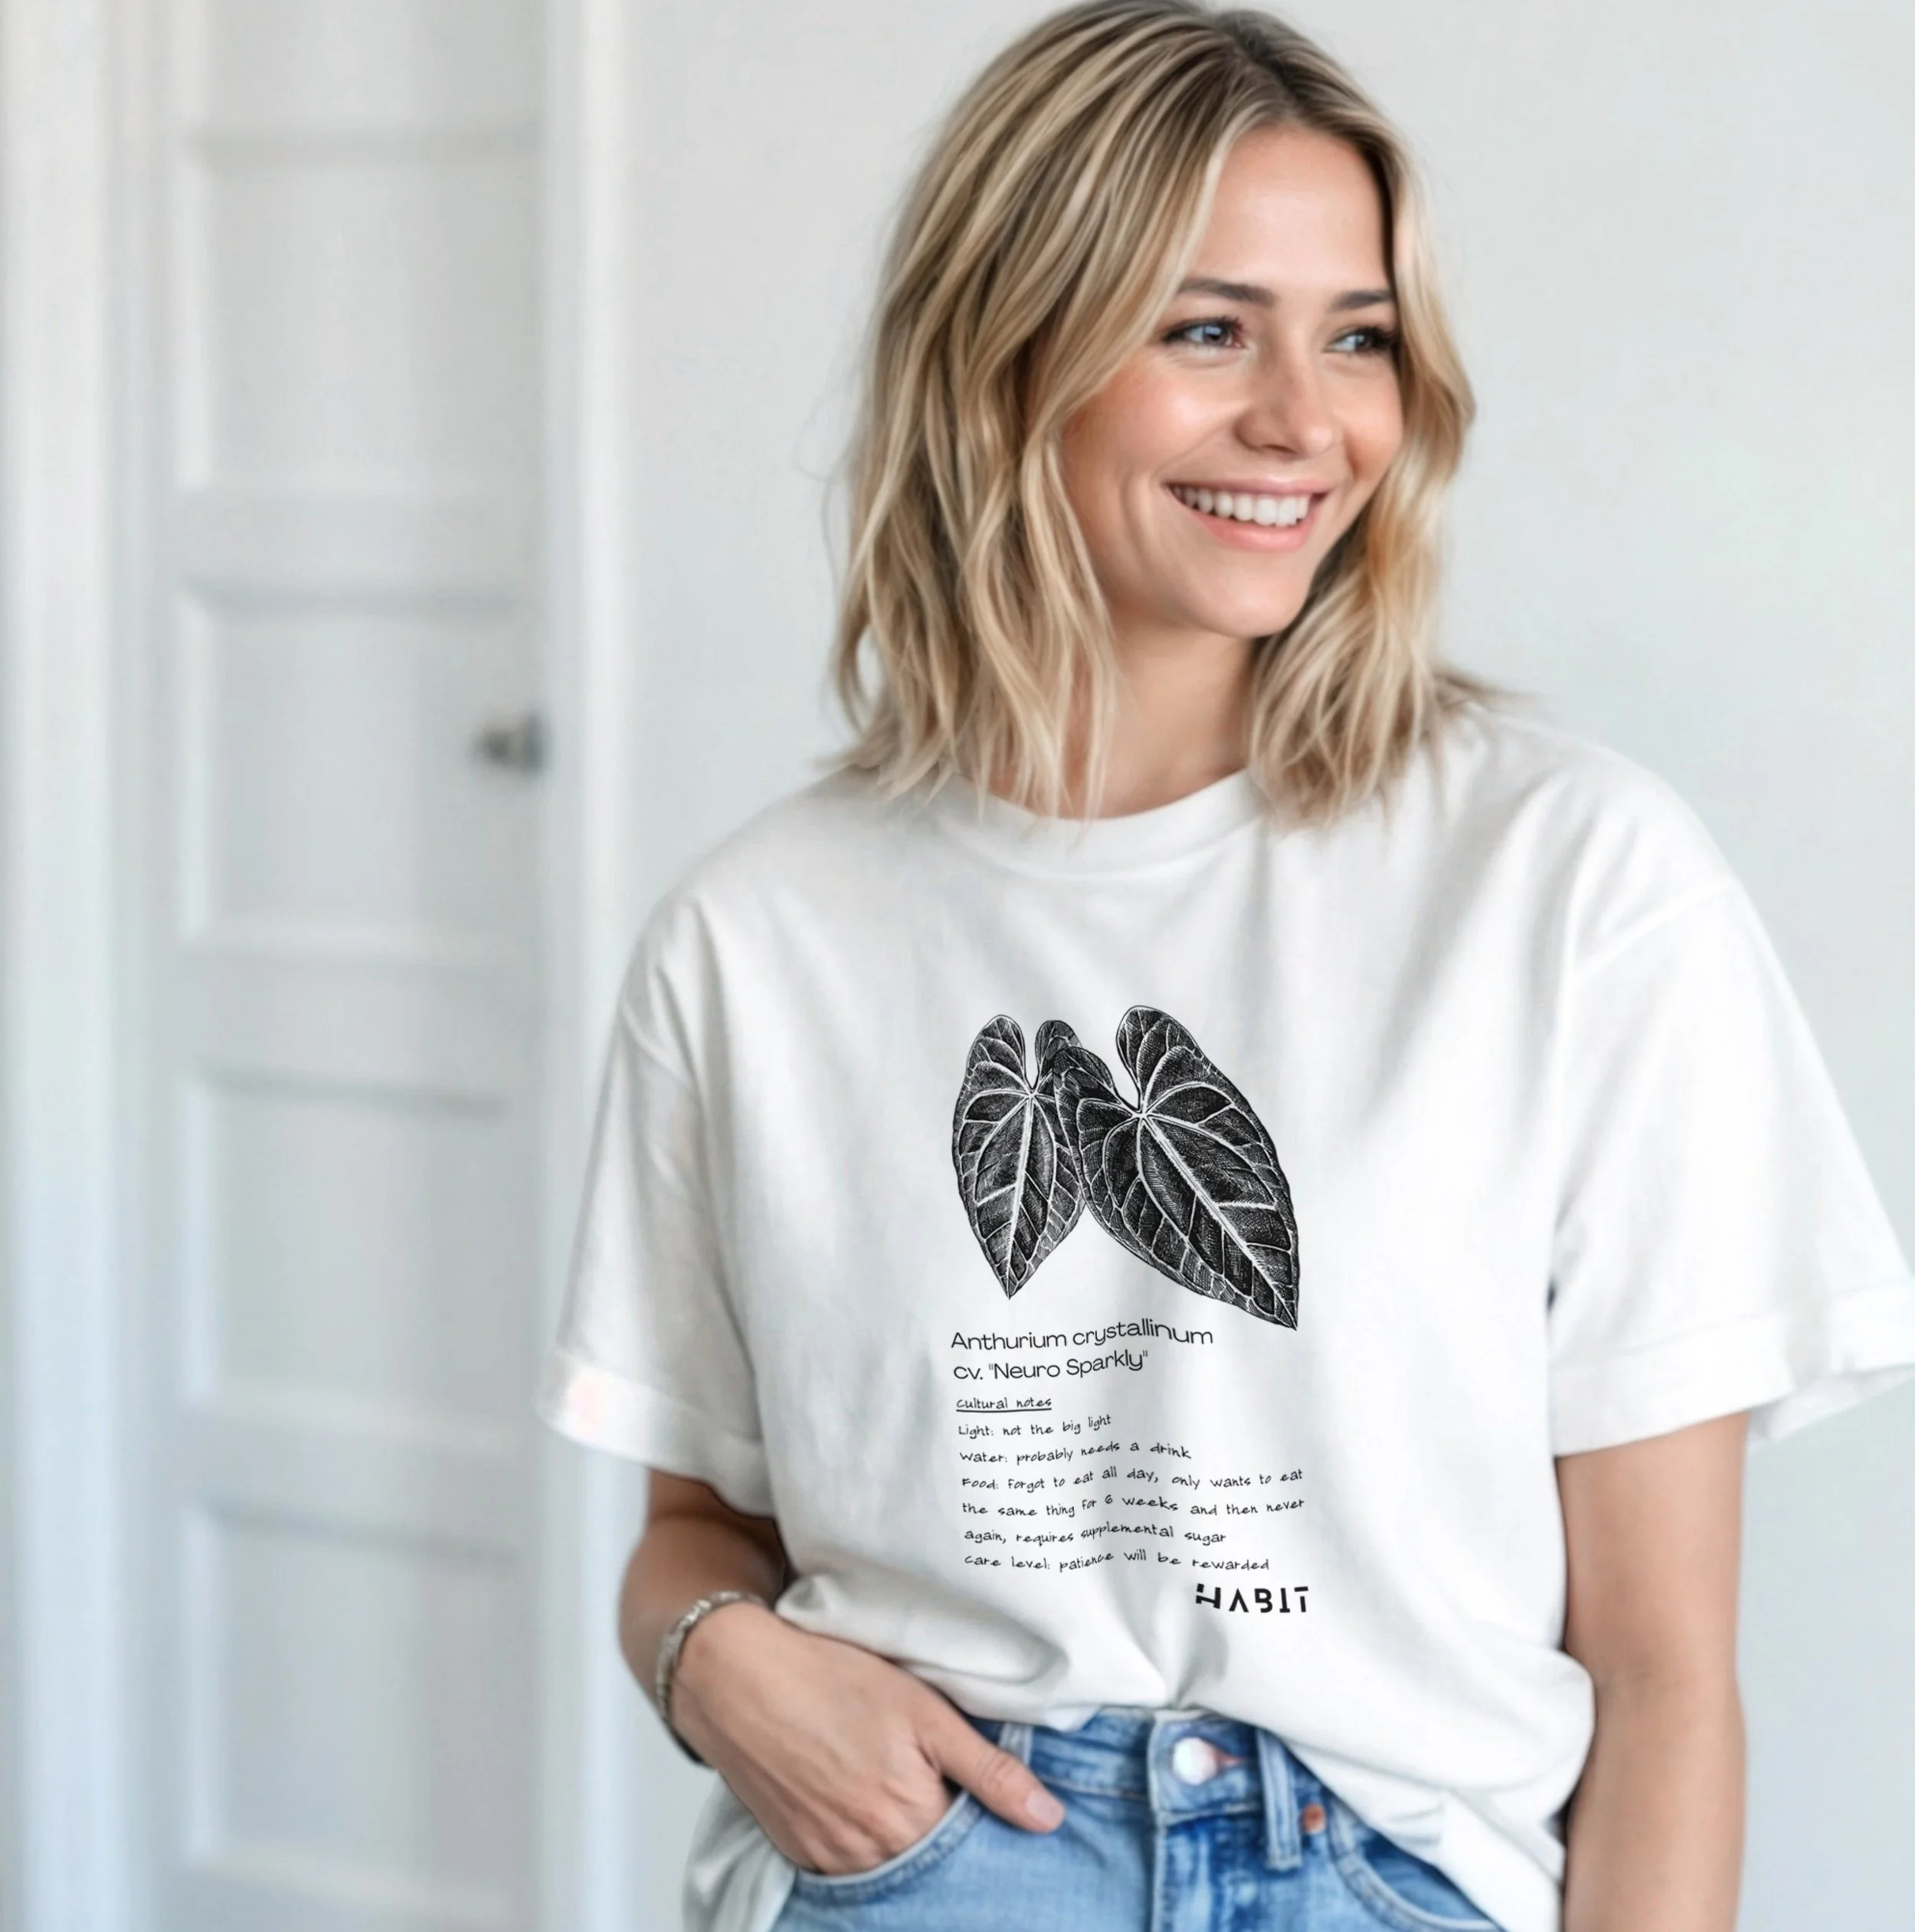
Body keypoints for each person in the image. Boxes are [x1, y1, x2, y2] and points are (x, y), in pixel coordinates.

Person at [537, 5, 1915, 1930]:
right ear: (1005, 349)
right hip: (929, 1854)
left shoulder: (1570, 884)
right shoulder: (756, 937)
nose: (1303, 417)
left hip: (1394, 1866)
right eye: (1206, 328)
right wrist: (705, 1659)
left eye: (1354, 335)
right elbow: (696, 1530)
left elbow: (1665, 1675)